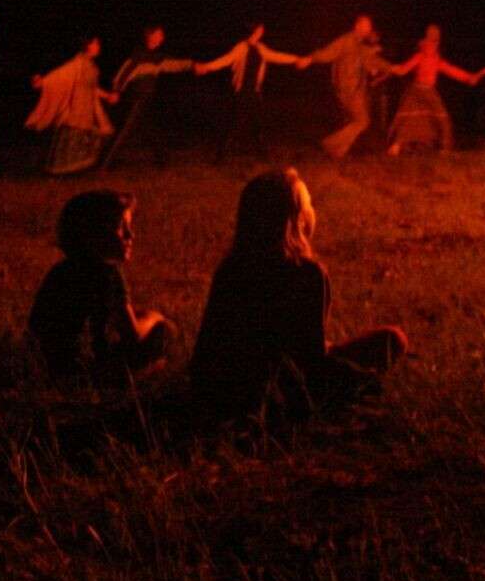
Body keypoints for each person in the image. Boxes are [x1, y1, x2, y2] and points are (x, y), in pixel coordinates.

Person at [189, 169, 407, 424]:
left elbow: (208, 348)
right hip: (273, 391)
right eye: (309, 204)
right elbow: (307, 361)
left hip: (214, 391)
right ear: (296, 219)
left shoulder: (231, 268)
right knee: (393, 339)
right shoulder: (307, 274)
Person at [27, 189, 176, 384]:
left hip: (52, 368)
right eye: (121, 227)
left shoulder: (60, 271)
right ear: (93, 233)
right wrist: (153, 317)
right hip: (91, 370)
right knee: (165, 331)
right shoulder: (108, 274)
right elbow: (132, 335)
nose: (130, 235)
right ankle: (132, 380)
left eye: (129, 226)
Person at [195, 24, 304, 162]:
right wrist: (207, 66)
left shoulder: (261, 48)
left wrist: (295, 59)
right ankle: (221, 155)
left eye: (262, 29)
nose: (262, 31)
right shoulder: (241, 47)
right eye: (259, 29)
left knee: (259, 122)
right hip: (242, 91)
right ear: (253, 31)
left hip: (254, 91)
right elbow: (226, 60)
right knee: (234, 123)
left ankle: (263, 154)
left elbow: (277, 56)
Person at [101, 25, 196, 169]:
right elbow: (123, 74)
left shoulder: (157, 57)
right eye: (159, 35)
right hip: (136, 98)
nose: (162, 38)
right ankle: (104, 164)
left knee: (149, 129)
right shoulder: (139, 55)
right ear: (150, 36)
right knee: (124, 130)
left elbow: (174, 64)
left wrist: (193, 65)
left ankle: (162, 160)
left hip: (145, 99)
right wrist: (115, 91)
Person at [26, 37, 120, 175]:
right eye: (95, 44)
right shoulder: (78, 64)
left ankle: (81, 169)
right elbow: (61, 76)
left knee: (98, 134)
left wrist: (107, 96)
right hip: (75, 110)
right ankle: (62, 171)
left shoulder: (92, 66)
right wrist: (43, 82)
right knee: (71, 140)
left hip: (88, 110)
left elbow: (92, 88)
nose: (98, 47)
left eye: (98, 44)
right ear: (87, 45)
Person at [300, 15, 390, 158]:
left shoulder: (360, 44)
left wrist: (391, 67)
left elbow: (368, 61)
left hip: (355, 88)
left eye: (370, 26)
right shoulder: (346, 41)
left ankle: (337, 153)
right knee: (362, 121)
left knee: (353, 120)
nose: (369, 29)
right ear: (357, 26)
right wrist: (310, 58)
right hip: (348, 88)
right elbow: (328, 53)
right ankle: (329, 144)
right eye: (366, 26)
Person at [385, 25, 477, 155]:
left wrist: (468, 77)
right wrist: (391, 68)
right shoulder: (420, 56)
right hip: (417, 91)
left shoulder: (436, 58)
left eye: (437, 38)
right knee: (411, 120)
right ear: (428, 37)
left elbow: (451, 70)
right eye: (433, 37)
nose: (435, 41)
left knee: (435, 120)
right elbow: (403, 70)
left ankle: (443, 148)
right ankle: (396, 147)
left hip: (427, 91)